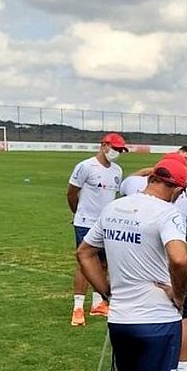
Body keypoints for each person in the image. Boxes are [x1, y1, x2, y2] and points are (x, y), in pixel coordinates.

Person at [76, 154, 187, 371]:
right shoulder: (167, 212)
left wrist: (106, 292)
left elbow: (84, 253)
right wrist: (179, 294)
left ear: (152, 177)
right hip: (156, 320)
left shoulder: (114, 207)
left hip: (121, 318)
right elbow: (179, 257)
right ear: (177, 189)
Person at [119, 156, 187, 371]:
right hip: (166, 266)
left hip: (133, 263)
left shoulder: (134, 187)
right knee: (182, 314)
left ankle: (140, 366)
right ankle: (182, 368)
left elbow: (126, 182)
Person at [67, 133, 128, 325]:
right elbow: (71, 193)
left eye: (120, 150)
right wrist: (78, 213)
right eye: (115, 148)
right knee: (84, 263)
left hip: (107, 223)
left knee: (104, 263)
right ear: (104, 145)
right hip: (86, 222)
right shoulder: (85, 166)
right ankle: (78, 307)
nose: (117, 153)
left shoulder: (117, 170)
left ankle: (98, 303)